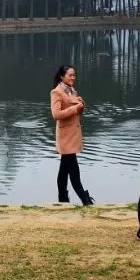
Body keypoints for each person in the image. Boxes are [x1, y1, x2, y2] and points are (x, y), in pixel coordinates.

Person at [50, 65, 94, 205]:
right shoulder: (56, 92)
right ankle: (85, 199)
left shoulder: (71, 91)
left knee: (64, 170)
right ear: (62, 76)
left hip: (73, 135)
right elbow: (56, 114)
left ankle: (62, 199)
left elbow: (76, 112)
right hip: (65, 137)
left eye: (74, 75)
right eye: (70, 75)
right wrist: (75, 108)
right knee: (74, 170)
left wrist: (80, 104)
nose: (73, 78)